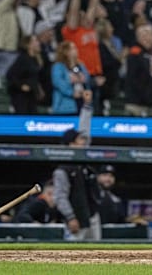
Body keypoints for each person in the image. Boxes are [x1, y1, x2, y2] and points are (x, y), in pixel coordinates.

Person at [52, 90, 102, 241]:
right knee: (72, 256)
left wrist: (87, 106)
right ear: (71, 144)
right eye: (79, 140)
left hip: (92, 216)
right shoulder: (62, 170)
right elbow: (60, 197)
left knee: (99, 256)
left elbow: (85, 131)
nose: (84, 142)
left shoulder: (83, 163)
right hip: (76, 220)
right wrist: (70, 217)